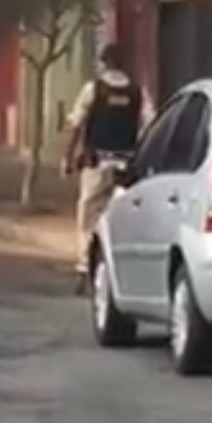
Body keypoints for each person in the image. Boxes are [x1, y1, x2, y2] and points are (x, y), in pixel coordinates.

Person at [63, 43, 155, 294]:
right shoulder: (138, 92)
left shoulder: (93, 89)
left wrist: (68, 157)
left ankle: (85, 268)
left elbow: (76, 124)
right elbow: (150, 126)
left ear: (104, 63)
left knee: (88, 215)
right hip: (126, 165)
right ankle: (118, 271)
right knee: (121, 217)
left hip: (97, 164)